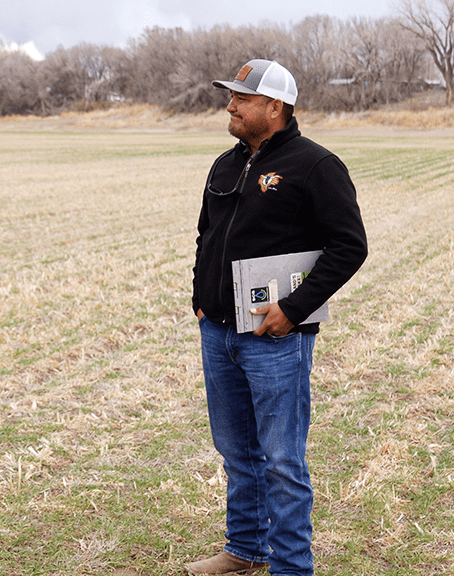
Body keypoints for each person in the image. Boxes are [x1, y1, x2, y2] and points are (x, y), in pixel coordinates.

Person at [188, 59, 367, 576]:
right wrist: (201, 298)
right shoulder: (225, 163)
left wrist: (292, 310)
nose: (230, 105)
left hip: (275, 340)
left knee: (283, 461)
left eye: (242, 98)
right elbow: (206, 236)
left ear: (275, 106)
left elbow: (349, 247)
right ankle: (244, 549)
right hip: (218, 333)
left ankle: (291, 567)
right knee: (236, 451)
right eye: (231, 96)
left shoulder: (317, 165)